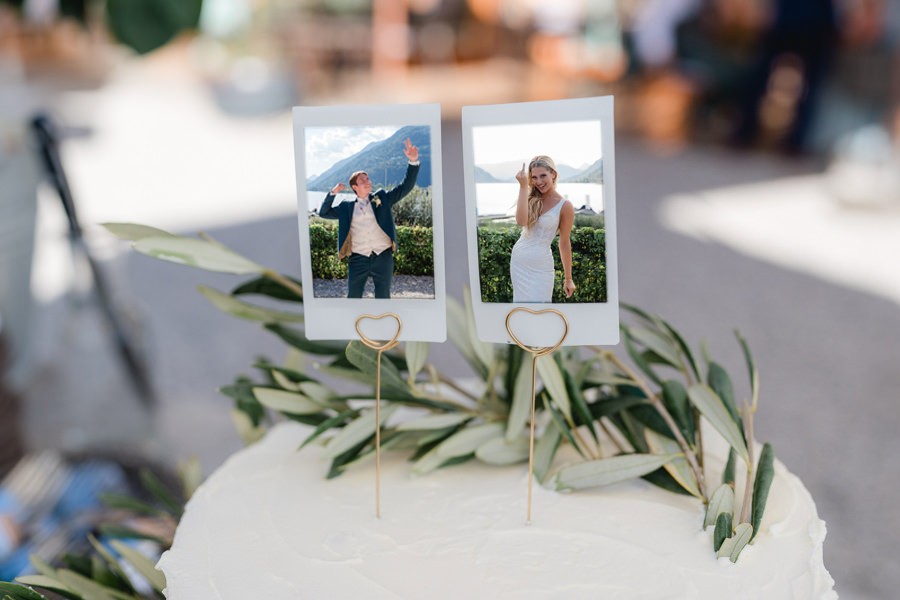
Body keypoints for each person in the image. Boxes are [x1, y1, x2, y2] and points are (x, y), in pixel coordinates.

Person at [319, 138, 420, 298]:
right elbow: (323, 213)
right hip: (358, 259)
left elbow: (405, 187)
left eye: (368, 179)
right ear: (355, 187)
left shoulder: (383, 198)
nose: (368, 181)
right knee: (353, 297)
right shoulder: (346, 208)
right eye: (363, 180)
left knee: (383, 297)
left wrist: (413, 162)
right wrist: (333, 193)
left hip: (383, 257)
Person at [510, 155, 576, 302]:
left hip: (541, 266)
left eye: (543, 176)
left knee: (542, 309)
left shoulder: (565, 206)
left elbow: (564, 243)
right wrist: (522, 187)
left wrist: (568, 279)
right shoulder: (529, 197)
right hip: (519, 263)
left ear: (553, 174)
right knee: (520, 309)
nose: (539, 182)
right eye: (534, 177)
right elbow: (521, 221)